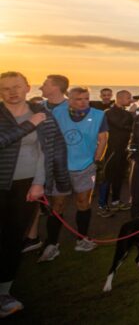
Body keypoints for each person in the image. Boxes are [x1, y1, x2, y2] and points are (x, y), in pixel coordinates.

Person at [0, 71, 70, 319]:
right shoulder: (20, 116)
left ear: (27, 87)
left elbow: (49, 150)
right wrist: (30, 125)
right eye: (6, 88)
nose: (12, 92)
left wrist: (41, 183)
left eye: (17, 86)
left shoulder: (43, 115)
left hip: (27, 186)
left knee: (12, 239)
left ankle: (4, 293)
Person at [41, 86, 108, 259]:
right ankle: (52, 243)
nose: (83, 102)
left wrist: (96, 160)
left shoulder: (98, 115)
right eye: (78, 99)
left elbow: (103, 139)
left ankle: (82, 239)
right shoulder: (58, 112)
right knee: (58, 205)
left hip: (85, 166)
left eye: (86, 98)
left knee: (83, 202)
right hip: (61, 166)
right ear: (69, 100)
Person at [96, 90, 134, 217]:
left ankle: (116, 201)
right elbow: (122, 125)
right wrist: (132, 113)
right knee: (107, 177)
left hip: (122, 150)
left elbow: (131, 126)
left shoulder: (125, 113)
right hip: (111, 150)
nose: (131, 100)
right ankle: (102, 205)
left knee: (119, 176)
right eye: (128, 98)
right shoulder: (109, 113)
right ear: (120, 98)